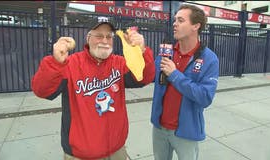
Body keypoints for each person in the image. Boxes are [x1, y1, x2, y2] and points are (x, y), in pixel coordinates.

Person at [31, 17, 155, 160]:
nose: (104, 41)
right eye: (99, 36)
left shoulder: (119, 63)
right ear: (88, 38)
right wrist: (55, 62)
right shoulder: (70, 64)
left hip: (116, 150)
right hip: (81, 154)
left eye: (109, 36)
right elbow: (42, 91)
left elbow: (145, 78)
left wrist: (142, 51)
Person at [151, 4, 219, 160]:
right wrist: (139, 51)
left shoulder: (209, 59)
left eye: (180, 20)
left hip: (186, 132)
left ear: (196, 25)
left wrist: (175, 75)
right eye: (175, 20)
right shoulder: (166, 53)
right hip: (159, 128)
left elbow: (205, 97)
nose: (174, 24)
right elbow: (147, 76)